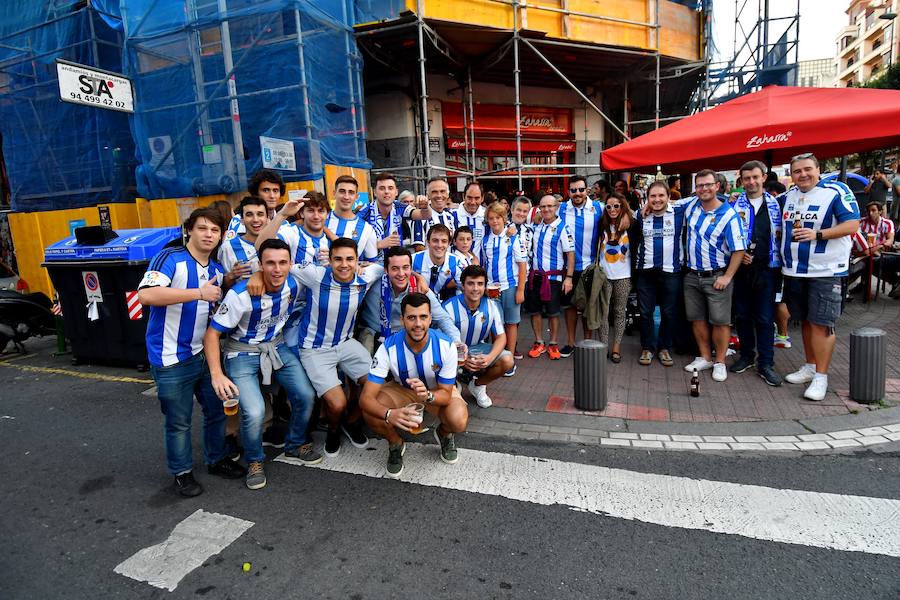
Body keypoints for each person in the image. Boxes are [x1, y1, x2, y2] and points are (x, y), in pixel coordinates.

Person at [138, 207, 245, 497]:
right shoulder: (170, 258)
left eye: (215, 230)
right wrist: (198, 293)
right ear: (189, 230)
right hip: (170, 358)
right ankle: (182, 473)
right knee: (179, 421)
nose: (209, 235)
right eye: (202, 228)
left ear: (221, 236)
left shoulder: (216, 270)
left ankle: (216, 459)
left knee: (216, 411)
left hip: (204, 355)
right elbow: (146, 295)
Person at [204, 239, 319, 490]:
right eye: (270, 263)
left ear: (291, 263)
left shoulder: (295, 283)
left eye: (282, 263)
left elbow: (333, 272)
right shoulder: (239, 295)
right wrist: (216, 374)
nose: (277, 269)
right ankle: (255, 460)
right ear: (260, 264)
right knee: (255, 411)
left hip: (276, 347)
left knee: (306, 395)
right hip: (241, 352)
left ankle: (294, 444)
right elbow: (212, 334)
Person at [287, 238, 383, 456]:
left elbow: (388, 265)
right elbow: (280, 265)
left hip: (346, 343)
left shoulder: (365, 276)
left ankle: (351, 422)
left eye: (350, 259)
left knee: (376, 385)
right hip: (315, 349)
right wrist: (257, 275)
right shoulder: (315, 275)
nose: (344, 264)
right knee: (337, 403)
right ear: (329, 260)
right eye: (338, 259)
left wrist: (417, 278)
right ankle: (333, 430)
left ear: (357, 260)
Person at [360, 292, 469, 478]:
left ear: (430, 319)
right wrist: (389, 414)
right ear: (402, 320)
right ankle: (395, 442)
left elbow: (445, 393)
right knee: (371, 412)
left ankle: (444, 434)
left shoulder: (446, 345)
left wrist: (428, 395)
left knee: (458, 420)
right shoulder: (387, 347)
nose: (418, 324)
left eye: (423, 317)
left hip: (435, 391)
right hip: (401, 390)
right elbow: (365, 398)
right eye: (411, 318)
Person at [780, 153, 860, 400]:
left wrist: (818, 234)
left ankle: (821, 377)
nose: (803, 174)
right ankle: (810, 366)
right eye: (797, 171)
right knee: (805, 320)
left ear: (818, 169)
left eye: (807, 169)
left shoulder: (836, 190)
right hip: (794, 270)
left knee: (822, 324)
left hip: (826, 271)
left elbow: (852, 224)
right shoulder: (789, 196)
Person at [679, 169, 747, 383]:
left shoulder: (729, 215)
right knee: (696, 318)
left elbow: (739, 250)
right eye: (699, 185)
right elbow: (667, 205)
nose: (704, 189)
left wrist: (727, 276)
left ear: (717, 186)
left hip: (716, 275)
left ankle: (720, 362)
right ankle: (705, 357)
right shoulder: (691, 205)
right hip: (692, 274)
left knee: (720, 321)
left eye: (708, 184)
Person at [729, 160, 784, 386]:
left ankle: (766, 363)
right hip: (741, 269)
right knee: (742, 316)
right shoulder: (733, 205)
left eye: (755, 177)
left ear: (763, 178)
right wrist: (737, 253)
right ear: (741, 181)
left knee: (764, 318)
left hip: (768, 269)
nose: (751, 182)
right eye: (746, 178)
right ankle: (746, 356)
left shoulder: (778, 204)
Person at [443, 265, 514, 407]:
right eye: (471, 283)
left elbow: (501, 337)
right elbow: (441, 343)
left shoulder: (492, 306)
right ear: (463, 286)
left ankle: (478, 385)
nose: (475, 288)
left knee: (507, 360)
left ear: (485, 286)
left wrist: (489, 358)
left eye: (480, 284)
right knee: (452, 399)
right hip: (451, 353)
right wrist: (461, 359)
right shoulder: (448, 308)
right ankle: (453, 383)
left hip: (477, 348)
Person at [361, 246, 461, 345]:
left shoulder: (419, 287)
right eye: (395, 268)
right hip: (373, 332)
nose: (401, 274)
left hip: (406, 335)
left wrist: (456, 342)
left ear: (411, 269)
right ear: (386, 270)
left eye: (405, 267)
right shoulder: (372, 281)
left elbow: (442, 318)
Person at [634, 182, 683, 367]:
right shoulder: (639, 215)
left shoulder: (679, 212)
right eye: (652, 196)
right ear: (647, 198)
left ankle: (664, 348)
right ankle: (647, 347)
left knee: (669, 313)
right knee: (645, 312)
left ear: (669, 197)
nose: (657, 200)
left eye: (661, 195)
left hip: (671, 271)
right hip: (646, 272)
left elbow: (700, 198)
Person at [558, 175, 606, 357]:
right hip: (567, 268)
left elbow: (622, 214)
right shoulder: (561, 208)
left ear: (587, 190)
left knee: (588, 307)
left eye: (580, 189)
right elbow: (538, 214)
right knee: (569, 307)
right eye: (573, 190)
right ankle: (570, 343)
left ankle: (587, 343)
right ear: (568, 192)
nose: (577, 193)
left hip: (589, 267)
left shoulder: (599, 208)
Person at [525, 194, 575, 360]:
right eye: (543, 206)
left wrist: (569, 278)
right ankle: (539, 342)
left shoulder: (563, 227)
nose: (546, 209)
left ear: (556, 207)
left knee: (553, 312)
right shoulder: (535, 225)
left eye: (550, 206)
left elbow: (570, 254)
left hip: (553, 278)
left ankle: (553, 343)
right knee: (535, 311)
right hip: (535, 276)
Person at [481, 202, 527, 372]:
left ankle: (510, 359)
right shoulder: (485, 239)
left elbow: (522, 265)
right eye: (491, 218)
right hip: (491, 289)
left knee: (511, 323)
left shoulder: (513, 237)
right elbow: (484, 263)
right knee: (495, 323)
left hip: (510, 286)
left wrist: (520, 290)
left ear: (504, 218)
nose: (494, 221)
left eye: (498, 218)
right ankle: (498, 357)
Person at [357, 172, 431, 260]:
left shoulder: (399, 207)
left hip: (395, 262)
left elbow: (424, 215)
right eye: (382, 188)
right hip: (369, 264)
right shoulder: (363, 213)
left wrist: (426, 206)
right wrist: (378, 245)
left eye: (390, 188)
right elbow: (353, 244)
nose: (386, 192)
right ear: (375, 192)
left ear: (396, 192)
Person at [597, 193, 633, 363]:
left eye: (616, 206)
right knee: (603, 312)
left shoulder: (631, 224)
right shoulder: (601, 224)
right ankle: (604, 346)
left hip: (624, 276)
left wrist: (627, 215)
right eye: (609, 206)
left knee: (619, 311)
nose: (612, 209)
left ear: (622, 206)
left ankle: (616, 347)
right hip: (604, 275)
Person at [325, 175, 378, 262]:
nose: (346, 197)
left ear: (356, 197)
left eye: (351, 192)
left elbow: (372, 263)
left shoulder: (367, 229)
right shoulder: (320, 221)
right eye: (342, 191)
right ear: (334, 193)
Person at [219, 196, 267, 289]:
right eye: (249, 215)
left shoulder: (278, 241)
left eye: (260, 214)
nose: (255, 219)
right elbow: (221, 286)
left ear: (267, 218)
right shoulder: (228, 247)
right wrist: (231, 276)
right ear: (241, 220)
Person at [227, 169, 285, 238]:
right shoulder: (238, 221)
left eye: (275, 191)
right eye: (266, 190)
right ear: (256, 193)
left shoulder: (284, 222)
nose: (272, 196)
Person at [859, 200, 899, 296]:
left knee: (868, 260)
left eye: (873, 210)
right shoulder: (862, 221)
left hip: (880, 249)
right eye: (868, 211)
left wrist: (879, 246)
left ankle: (863, 284)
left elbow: (890, 240)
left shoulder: (887, 223)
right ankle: (894, 280)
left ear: (880, 211)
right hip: (865, 248)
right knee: (866, 258)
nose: (870, 213)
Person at [412, 224, 461, 300]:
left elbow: (466, 287)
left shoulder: (456, 262)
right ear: (428, 242)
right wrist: (417, 276)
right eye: (435, 240)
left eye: (444, 241)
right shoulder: (413, 259)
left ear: (449, 243)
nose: (439, 245)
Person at [453, 182, 488, 250]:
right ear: (463, 196)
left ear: (482, 198)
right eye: (469, 198)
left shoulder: (487, 215)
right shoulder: (452, 215)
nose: (472, 202)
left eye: (476, 198)